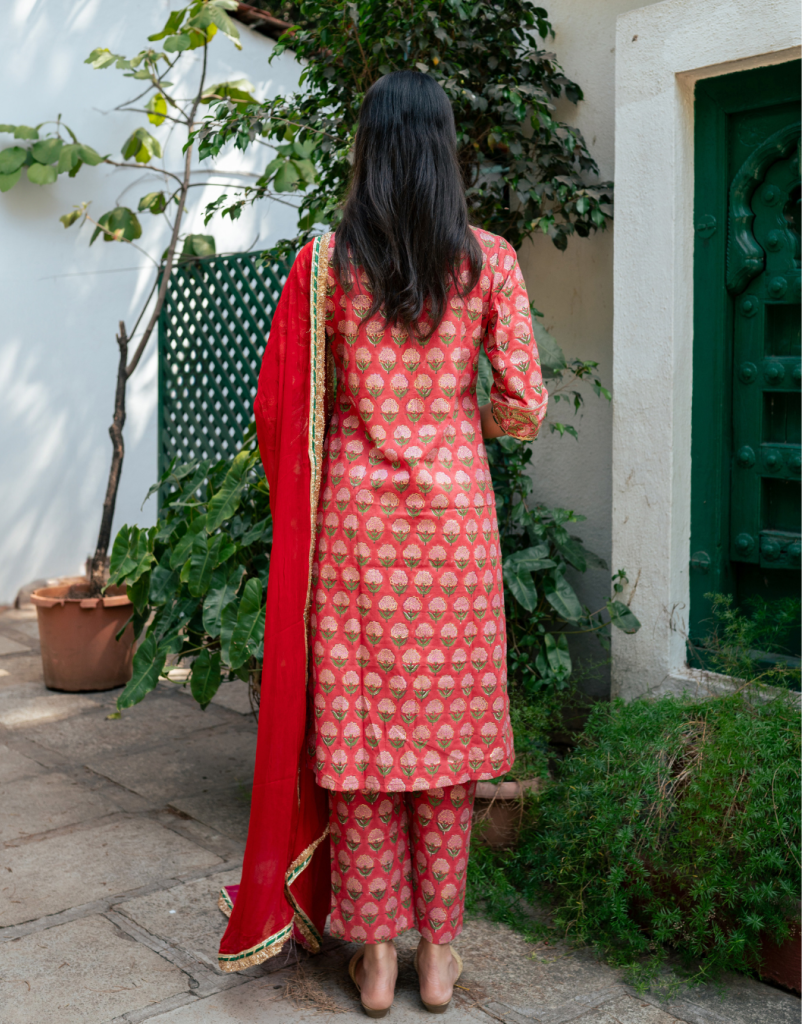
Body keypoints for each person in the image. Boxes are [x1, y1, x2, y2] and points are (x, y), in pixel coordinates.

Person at [218, 70, 548, 1017]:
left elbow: (288, 408)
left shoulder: (326, 263)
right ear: (445, 147)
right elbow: (522, 407)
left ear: (367, 147)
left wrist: (369, 421)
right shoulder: (488, 259)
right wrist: (452, 423)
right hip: (453, 532)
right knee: (447, 756)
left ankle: (372, 963)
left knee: (363, 754)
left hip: (356, 529)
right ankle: (438, 957)